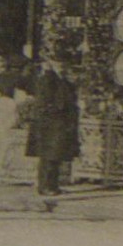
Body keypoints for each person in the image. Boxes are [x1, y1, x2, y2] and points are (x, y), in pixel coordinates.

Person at [27, 58, 80, 196]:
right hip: (50, 124)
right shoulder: (48, 78)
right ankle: (45, 186)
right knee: (49, 157)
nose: (62, 67)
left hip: (58, 124)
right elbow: (45, 100)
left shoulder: (61, 79)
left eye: (63, 64)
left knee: (55, 156)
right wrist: (57, 110)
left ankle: (53, 185)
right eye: (59, 64)